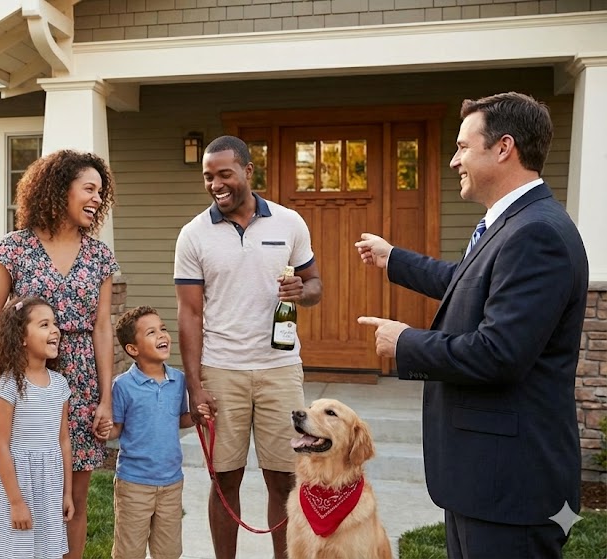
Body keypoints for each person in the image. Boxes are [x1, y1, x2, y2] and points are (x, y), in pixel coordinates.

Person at [356, 92, 588, 559]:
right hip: (483, 480)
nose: (453, 159)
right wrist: (393, 259)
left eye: (463, 146)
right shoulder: (510, 224)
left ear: (503, 148)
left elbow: (499, 353)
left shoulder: (535, 233)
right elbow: (468, 282)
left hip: (510, 487)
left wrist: (406, 343)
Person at [0, 149, 119, 559]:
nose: (97, 199)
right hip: (28, 384)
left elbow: (101, 327)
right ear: (60, 189)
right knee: (26, 487)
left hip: (78, 381)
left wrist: (105, 399)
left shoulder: (99, 256)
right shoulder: (15, 248)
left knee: (72, 499)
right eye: (89, 188)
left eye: (101, 191)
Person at [174, 135, 322, 559]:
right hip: (221, 371)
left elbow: (315, 286)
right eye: (208, 176)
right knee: (225, 482)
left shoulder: (290, 223)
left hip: (280, 370)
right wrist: (194, 383)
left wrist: (304, 289)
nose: (216, 184)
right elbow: (189, 314)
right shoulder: (194, 235)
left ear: (247, 172)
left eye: (224, 174)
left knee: (285, 481)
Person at [102, 305, 212, 559]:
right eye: (151, 332)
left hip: (171, 482)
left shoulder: (178, 380)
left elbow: (180, 419)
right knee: (129, 551)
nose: (162, 335)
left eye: (162, 328)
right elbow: (117, 428)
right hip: (134, 483)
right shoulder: (123, 386)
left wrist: (197, 417)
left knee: (169, 551)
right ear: (133, 349)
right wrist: (105, 431)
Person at [0, 296, 73, 558]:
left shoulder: (59, 385)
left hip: (48, 487)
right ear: (21, 337)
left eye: (55, 323)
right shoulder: (8, 386)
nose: (55, 330)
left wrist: (67, 493)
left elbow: (63, 440)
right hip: (17, 486)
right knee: (14, 551)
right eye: (44, 325)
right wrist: (16, 502)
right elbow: (1, 445)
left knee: (44, 551)